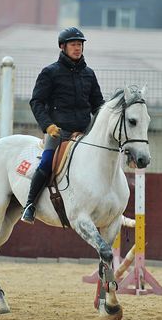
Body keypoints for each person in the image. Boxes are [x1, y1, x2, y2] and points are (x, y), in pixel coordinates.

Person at [21, 27, 105, 224]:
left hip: (84, 134)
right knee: (47, 162)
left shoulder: (89, 74)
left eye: (80, 44)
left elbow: (98, 105)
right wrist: (47, 125)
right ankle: (30, 205)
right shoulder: (50, 73)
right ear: (62, 47)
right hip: (58, 132)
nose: (77, 48)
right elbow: (36, 102)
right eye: (73, 44)